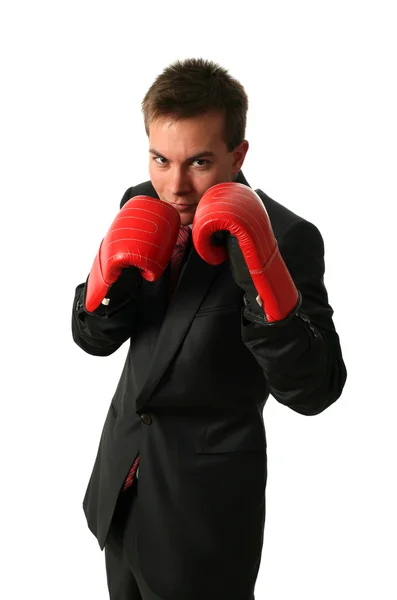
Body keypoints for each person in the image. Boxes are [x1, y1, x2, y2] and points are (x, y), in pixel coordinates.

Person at [71, 57, 347, 600]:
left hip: (204, 512)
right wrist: (107, 285)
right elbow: (92, 340)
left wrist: (266, 290)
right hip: (120, 488)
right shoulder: (139, 203)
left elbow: (317, 391)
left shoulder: (288, 236)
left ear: (238, 154)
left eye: (198, 162)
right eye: (159, 159)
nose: (175, 185)